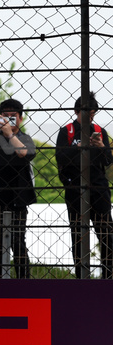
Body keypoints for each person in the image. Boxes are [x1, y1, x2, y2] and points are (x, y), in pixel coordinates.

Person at [0, 99, 36, 279]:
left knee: (18, 242)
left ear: (21, 118)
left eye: (13, 116)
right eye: (5, 116)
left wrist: (10, 134)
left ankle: (23, 281)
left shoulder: (24, 138)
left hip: (17, 197)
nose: (9, 119)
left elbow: (24, 153)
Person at [56, 94, 113, 278]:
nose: (90, 117)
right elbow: (61, 157)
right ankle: (82, 276)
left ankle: (109, 275)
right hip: (75, 188)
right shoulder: (67, 131)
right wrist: (82, 147)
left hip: (98, 188)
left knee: (106, 233)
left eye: (92, 113)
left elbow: (107, 161)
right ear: (76, 111)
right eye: (86, 113)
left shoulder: (99, 130)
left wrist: (101, 145)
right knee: (78, 235)